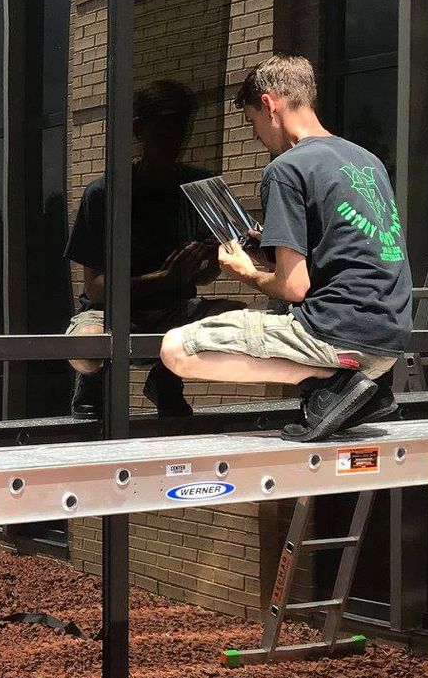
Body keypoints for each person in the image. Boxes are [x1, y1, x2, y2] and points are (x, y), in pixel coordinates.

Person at [158, 54, 412, 441]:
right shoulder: (367, 160)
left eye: (252, 123)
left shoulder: (286, 169)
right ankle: (354, 389)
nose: (257, 136)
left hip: (337, 334)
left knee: (175, 349)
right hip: (388, 341)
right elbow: (346, 251)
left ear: (269, 103)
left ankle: (334, 381)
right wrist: (269, 247)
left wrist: (245, 271)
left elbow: (294, 288)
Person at [63, 79, 241, 418]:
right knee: (87, 342)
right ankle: (93, 392)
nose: (173, 146)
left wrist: (205, 263)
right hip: (113, 315)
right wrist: (165, 277)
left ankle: (165, 380)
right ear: (139, 130)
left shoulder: (197, 186)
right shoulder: (104, 194)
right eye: (163, 135)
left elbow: (206, 276)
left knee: (237, 318)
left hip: (175, 311)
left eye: (180, 136)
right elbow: (97, 289)